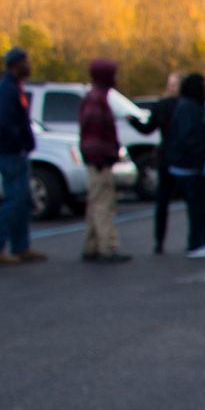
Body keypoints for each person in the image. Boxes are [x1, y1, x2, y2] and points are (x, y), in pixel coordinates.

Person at [0, 47, 46, 264]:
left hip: (17, 151)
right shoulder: (7, 90)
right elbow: (5, 122)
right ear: (16, 64)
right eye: (25, 61)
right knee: (15, 199)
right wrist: (19, 142)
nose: (28, 65)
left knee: (24, 200)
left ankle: (21, 246)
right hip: (10, 152)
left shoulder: (15, 87)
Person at [77, 58, 131, 263]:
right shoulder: (96, 101)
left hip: (98, 160)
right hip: (100, 161)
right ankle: (107, 247)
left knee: (95, 202)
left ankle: (91, 245)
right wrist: (101, 157)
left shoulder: (96, 98)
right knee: (103, 205)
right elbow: (92, 133)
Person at [166, 73, 205, 259]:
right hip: (191, 166)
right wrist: (201, 156)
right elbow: (190, 137)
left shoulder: (193, 107)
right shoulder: (189, 108)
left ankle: (201, 240)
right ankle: (196, 243)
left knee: (200, 206)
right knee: (197, 206)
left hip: (194, 164)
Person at [131, 72, 182, 254]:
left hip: (167, 156)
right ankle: (197, 239)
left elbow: (147, 128)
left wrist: (133, 122)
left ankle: (159, 241)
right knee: (193, 200)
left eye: (173, 84)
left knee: (163, 202)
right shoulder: (185, 106)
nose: (170, 87)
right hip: (180, 157)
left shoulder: (163, 106)